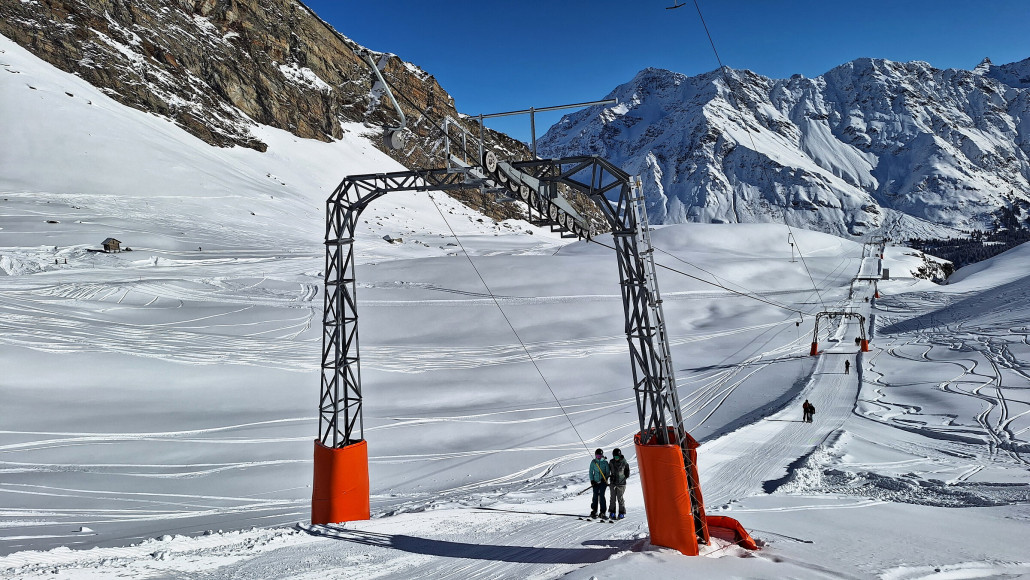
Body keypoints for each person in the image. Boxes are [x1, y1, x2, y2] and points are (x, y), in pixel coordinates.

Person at [607, 448, 630, 519]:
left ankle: (621, 513)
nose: (616, 458)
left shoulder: (624, 462)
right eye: (614, 457)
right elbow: (607, 470)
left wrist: (624, 477)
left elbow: (627, 471)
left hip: (621, 484)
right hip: (613, 483)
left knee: (620, 498)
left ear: (619, 456)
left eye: (617, 457)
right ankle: (612, 512)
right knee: (612, 498)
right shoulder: (611, 462)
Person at [588, 448, 610, 518]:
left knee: (601, 495)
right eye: (597, 456)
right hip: (595, 481)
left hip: (603, 482)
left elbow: (607, 472)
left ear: (602, 455)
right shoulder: (593, 462)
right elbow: (591, 472)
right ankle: (594, 510)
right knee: (595, 495)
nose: (598, 458)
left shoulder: (605, 462)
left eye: (599, 456)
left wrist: (605, 478)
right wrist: (592, 480)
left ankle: (603, 512)